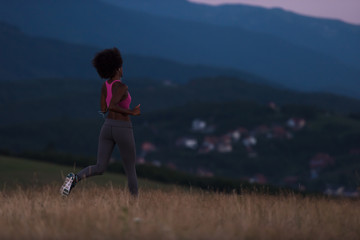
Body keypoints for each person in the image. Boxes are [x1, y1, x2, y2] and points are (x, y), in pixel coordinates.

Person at [60, 47, 141, 197]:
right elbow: (111, 106)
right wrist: (132, 112)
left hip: (107, 127)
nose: (123, 69)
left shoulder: (105, 86)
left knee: (100, 166)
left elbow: (103, 108)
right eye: (121, 66)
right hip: (123, 128)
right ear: (117, 68)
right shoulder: (122, 87)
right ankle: (134, 204)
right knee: (130, 169)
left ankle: (74, 179)